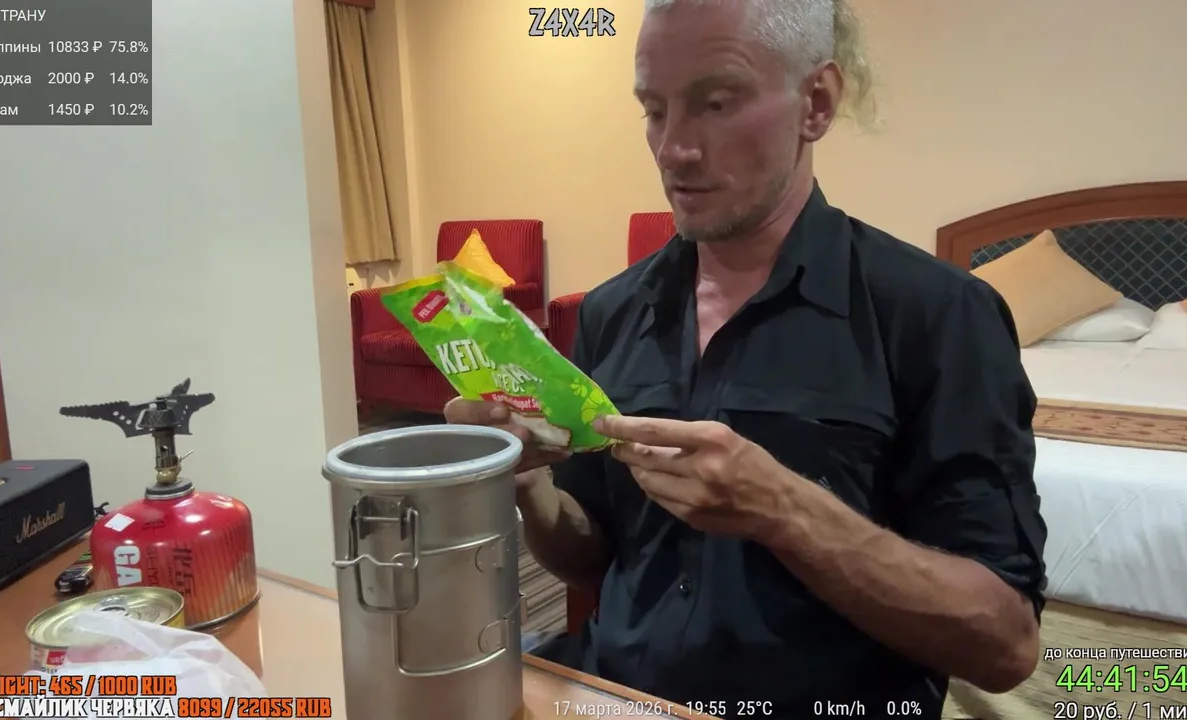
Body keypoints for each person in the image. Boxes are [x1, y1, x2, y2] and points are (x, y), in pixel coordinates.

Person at [448, 0, 1048, 716]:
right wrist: (528, 485)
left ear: (816, 103)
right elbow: (595, 557)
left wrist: (784, 509)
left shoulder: (939, 315)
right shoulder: (612, 311)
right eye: (654, 111)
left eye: (716, 103)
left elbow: (1005, 645)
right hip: (613, 696)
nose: (673, 150)